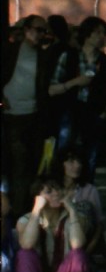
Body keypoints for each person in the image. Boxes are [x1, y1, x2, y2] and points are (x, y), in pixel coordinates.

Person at [14, 175, 94, 272]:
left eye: (58, 189)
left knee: (78, 256)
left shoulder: (74, 216)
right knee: (24, 256)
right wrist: (36, 210)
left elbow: (78, 244)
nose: (56, 194)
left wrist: (71, 211)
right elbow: (27, 244)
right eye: (49, 191)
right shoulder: (26, 220)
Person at [2, 14, 56, 220]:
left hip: (34, 115)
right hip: (11, 115)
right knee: (17, 163)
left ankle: (25, 210)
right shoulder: (9, 51)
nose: (41, 34)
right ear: (26, 30)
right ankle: (16, 211)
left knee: (32, 164)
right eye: (38, 29)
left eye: (44, 31)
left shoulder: (44, 55)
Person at [48, 15, 106, 165]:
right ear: (87, 34)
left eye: (104, 33)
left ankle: (86, 186)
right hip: (70, 109)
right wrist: (76, 82)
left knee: (91, 156)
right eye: (98, 32)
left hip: (94, 111)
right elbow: (52, 89)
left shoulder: (104, 60)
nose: (102, 37)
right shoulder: (69, 56)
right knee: (65, 151)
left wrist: (104, 113)